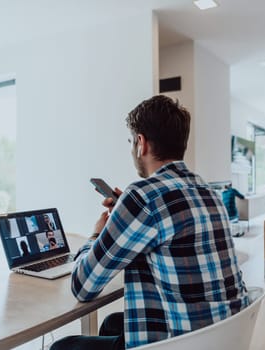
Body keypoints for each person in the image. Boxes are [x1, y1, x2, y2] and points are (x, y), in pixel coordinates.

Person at [51, 95, 248, 350]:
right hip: (223, 335)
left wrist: (96, 236)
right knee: (113, 322)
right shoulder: (208, 191)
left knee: (62, 347)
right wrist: (126, 214)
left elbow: (82, 286)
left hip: (182, 342)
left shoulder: (142, 197)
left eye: (132, 141)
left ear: (141, 143)